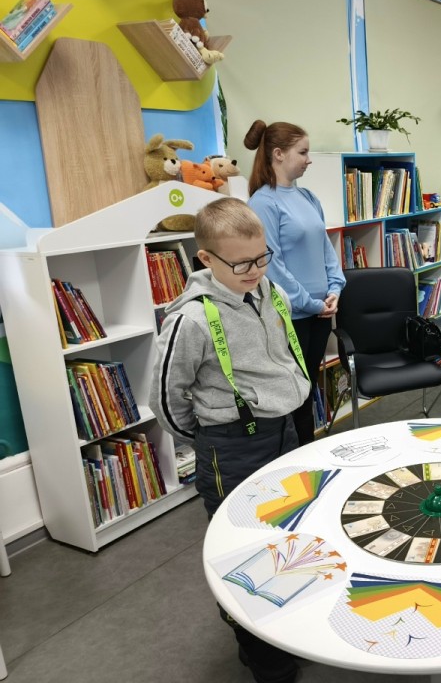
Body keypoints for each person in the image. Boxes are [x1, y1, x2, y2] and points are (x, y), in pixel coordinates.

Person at [151, 198, 307, 683]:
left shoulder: (268, 291)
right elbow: (165, 398)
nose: (255, 271)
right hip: (231, 445)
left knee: (287, 532)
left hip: (283, 430)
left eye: (262, 258)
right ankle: (264, 658)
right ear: (206, 259)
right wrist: (208, 437)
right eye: (241, 263)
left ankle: (284, 628)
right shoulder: (191, 320)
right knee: (242, 550)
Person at [245, 120, 345, 444]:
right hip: (292, 316)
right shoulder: (263, 203)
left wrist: (335, 288)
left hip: (321, 312)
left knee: (308, 386)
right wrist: (311, 303)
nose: (309, 159)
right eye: (302, 152)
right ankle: (299, 461)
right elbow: (272, 266)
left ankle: (306, 454)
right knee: (295, 396)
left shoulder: (308, 197)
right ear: (278, 154)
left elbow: (326, 248)